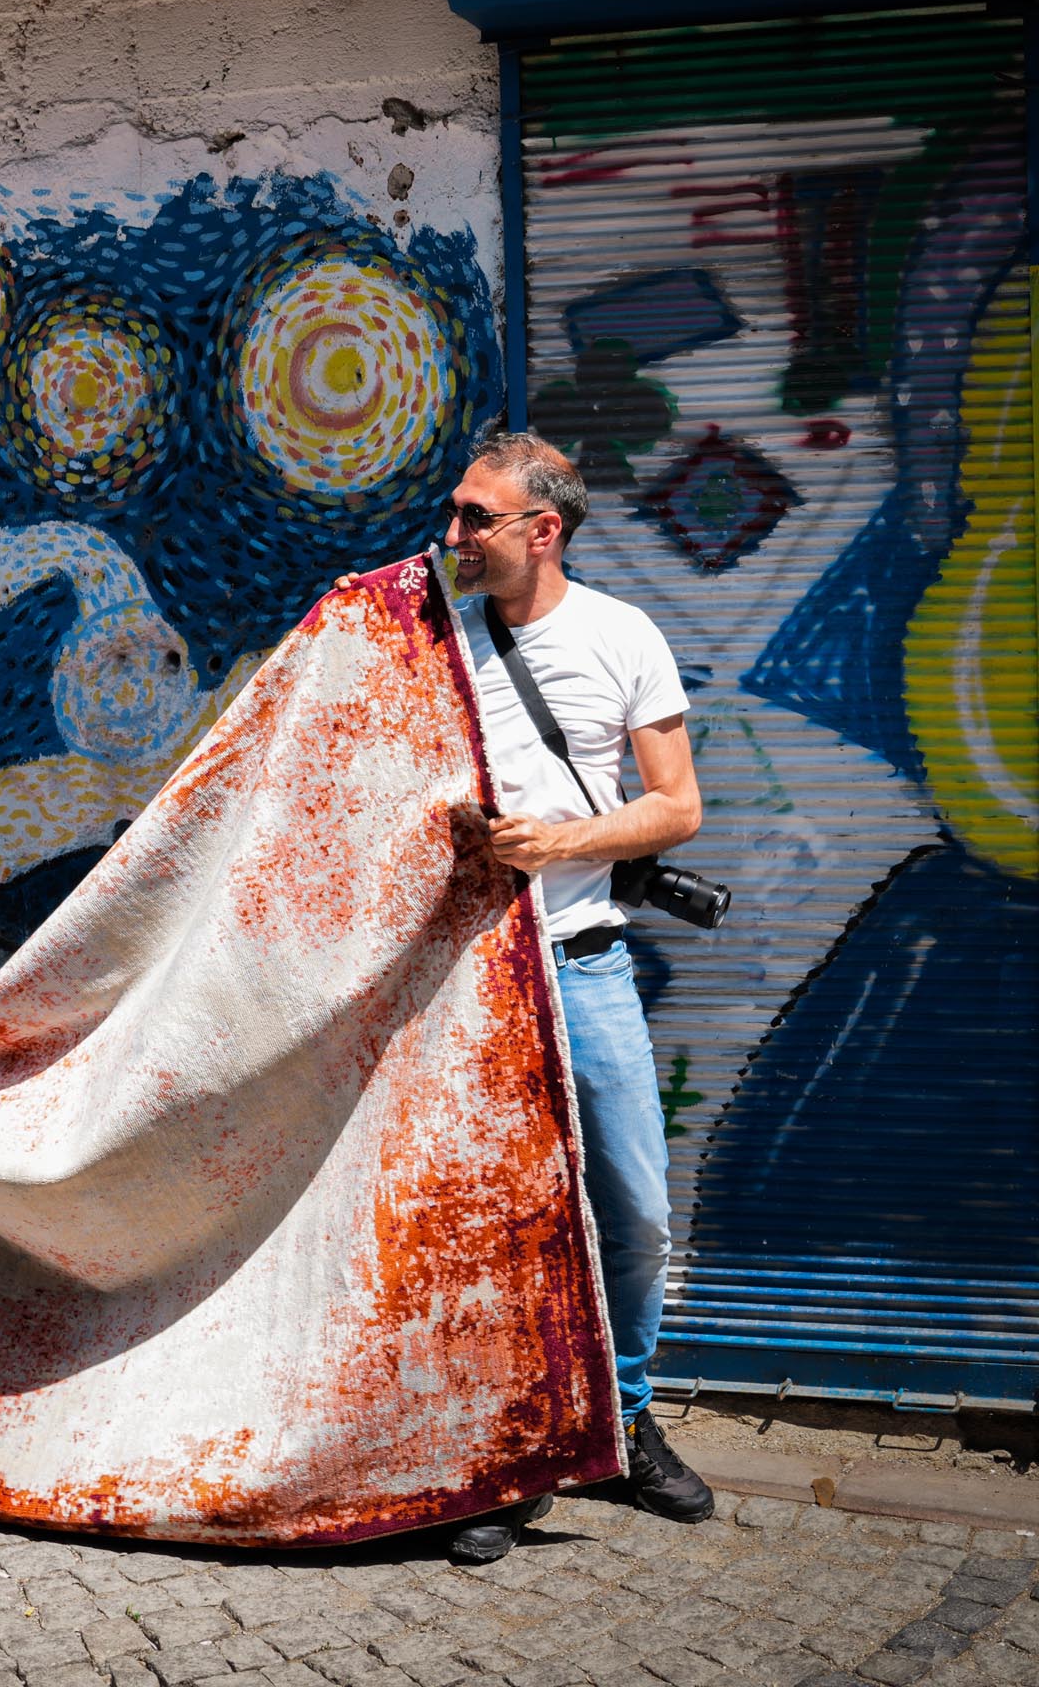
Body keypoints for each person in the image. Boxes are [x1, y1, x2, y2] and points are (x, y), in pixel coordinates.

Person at [348, 430, 715, 1563]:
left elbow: (674, 807)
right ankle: (491, 1456)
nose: (449, 534)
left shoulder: (619, 636)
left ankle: (619, 1415)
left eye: (473, 517)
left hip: (582, 963)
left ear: (540, 529)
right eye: (452, 513)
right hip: (462, 975)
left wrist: (556, 840)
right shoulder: (425, 641)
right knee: (476, 1226)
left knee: (634, 1209)